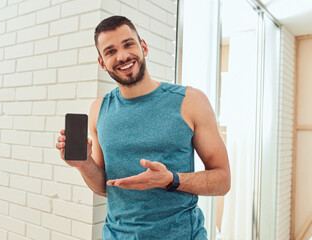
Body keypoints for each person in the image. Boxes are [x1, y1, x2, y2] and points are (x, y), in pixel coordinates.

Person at [56, 15, 230, 240]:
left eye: (128, 44)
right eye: (110, 51)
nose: (122, 56)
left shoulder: (191, 100)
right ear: (102, 63)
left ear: (143, 47)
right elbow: (105, 187)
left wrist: (171, 179)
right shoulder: (99, 109)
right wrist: (83, 164)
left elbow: (223, 180)